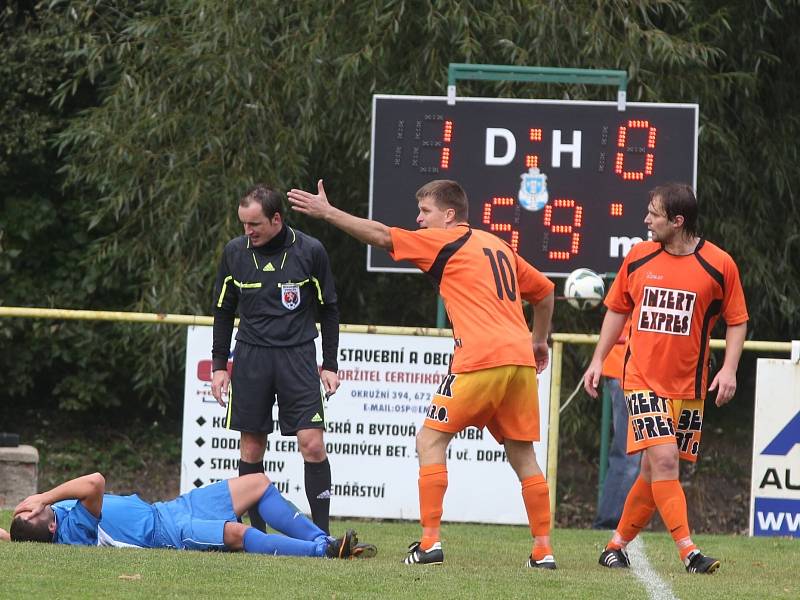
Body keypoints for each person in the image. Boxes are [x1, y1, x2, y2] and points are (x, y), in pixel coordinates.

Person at [288, 179, 557, 568]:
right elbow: (545, 291)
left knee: (429, 442)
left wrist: (328, 212)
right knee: (524, 456)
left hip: (480, 359)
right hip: (518, 362)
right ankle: (543, 550)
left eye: (425, 212)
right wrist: (538, 342)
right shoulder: (498, 245)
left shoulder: (444, 240)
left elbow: (381, 235)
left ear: (449, 215)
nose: (418, 219)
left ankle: (429, 543)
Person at [582, 182, 748, 574]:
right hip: (640, 380)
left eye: (653, 214)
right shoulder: (638, 257)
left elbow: (737, 320)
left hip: (689, 387)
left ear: (678, 221)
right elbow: (616, 310)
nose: (646, 220)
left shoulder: (719, 264)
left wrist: (728, 369)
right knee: (666, 461)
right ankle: (689, 552)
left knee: (652, 471)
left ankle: (615, 545)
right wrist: (597, 360)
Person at [211, 184, 340, 534]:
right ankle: (255, 535)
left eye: (254, 224)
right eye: (243, 224)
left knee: (312, 443)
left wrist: (330, 363)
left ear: (277, 219)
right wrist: (219, 366)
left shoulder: (310, 251)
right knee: (252, 446)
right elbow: (223, 311)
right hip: (251, 357)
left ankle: (323, 535)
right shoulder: (235, 253)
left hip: (298, 356)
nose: (247, 231)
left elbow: (329, 309)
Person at [1, 472, 376, 558]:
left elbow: (12, 537)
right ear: (51, 524)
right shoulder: (75, 528)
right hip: (169, 532)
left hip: (171, 507)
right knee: (235, 534)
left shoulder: (37, 528)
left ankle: (322, 539)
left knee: (258, 484)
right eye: (45, 509)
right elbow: (95, 482)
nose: (44, 505)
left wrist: (14, 529)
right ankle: (321, 552)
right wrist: (44, 495)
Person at [593, 323, 641, 530]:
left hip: (635, 368)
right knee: (628, 455)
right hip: (629, 368)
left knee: (636, 456)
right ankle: (609, 523)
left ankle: (614, 522)